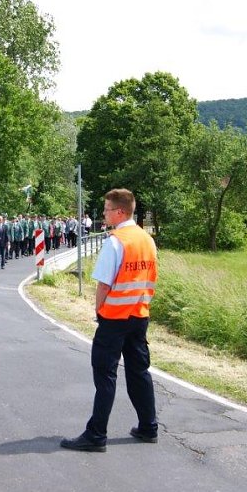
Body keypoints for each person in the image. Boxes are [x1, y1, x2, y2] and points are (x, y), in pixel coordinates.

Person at [61, 188, 159, 452]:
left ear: (119, 211)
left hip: (114, 317)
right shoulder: (146, 239)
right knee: (139, 371)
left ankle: (96, 435)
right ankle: (149, 426)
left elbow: (104, 285)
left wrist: (99, 311)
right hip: (139, 314)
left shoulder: (115, 241)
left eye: (105, 209)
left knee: (105, 375)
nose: (103, 214)